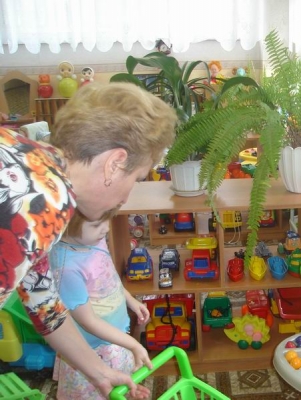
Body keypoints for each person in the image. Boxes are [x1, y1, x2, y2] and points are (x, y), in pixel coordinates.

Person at [0, 82, 177, 398]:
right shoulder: (43, 202)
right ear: (114, 163)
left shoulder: (38, 168)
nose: (126, 197)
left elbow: (44, 303)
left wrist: (99, 372)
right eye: (136, 179)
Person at [50, 209, 151, 399]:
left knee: (119, 388)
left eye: (107, 220)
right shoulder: (67, 268)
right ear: (66, 224)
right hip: (93, 352)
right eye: (97, 224)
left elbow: (108, 276)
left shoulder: (93, 239)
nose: (106, 228)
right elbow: (88, 321)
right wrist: (133, 345)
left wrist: (129, 299)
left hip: (115, 339)